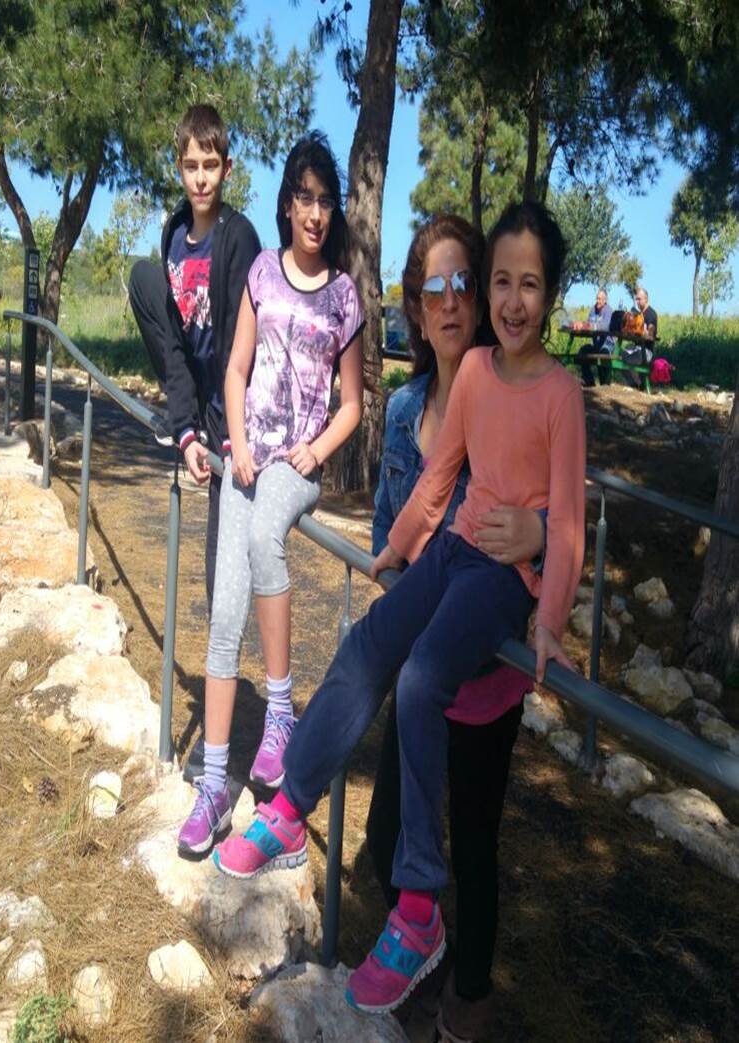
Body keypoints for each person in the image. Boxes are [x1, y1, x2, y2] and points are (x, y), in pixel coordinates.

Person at [213, 200, 586, 1017]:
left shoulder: (561, 393)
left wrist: (549, 616)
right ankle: (290, 802)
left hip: (499, 577)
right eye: (498, 282)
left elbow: (566, 522)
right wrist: (392, 549)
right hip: (452, 551)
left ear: (550, 294)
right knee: (368, 639)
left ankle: (421, 914)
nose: (508, 299)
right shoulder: (473, 377)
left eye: (526, 284)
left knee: (420, 684)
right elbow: (438, 478)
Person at [367, 214, 545, 1042]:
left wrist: (541, 536)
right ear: (414, 304)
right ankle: (421, 953)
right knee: (386, 833)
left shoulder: (514, 400)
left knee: (474, 843)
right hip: (420, 670)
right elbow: (387, 529)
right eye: (430, 287)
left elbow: (551, 518)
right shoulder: (405, 407)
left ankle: (468, 1000)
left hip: (484, 677)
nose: (448, 301)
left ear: (479, 298)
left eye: (462, 283)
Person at [176, 131, 364, 856]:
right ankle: (214, 784)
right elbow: (235, 368)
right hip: (245, 457)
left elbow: (353, 404)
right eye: (304, 199)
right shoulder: (261, 271)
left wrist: (314, 450)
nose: (314, 213)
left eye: (326, 201)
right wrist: (237, 443)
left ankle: (281, 711)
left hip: (295, 464)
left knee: (263, 539)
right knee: (223, 618)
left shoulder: (343, 295)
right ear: (287, 205)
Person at [128, 104, 261, 614]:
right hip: (197, 394)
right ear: (179, 168)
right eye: (191, 166)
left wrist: (228, 434)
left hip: (233, 402)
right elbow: (177, 342)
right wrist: (185, 429)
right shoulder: (174, 234)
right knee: (143, 278)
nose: (201, 179)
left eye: (210, 165)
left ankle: (220, 649)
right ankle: (185, 420)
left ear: (227, 168)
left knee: (221, 562)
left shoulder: (238, 237)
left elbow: (240, 347)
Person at [576, 287, 614, 387]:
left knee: (603, 353)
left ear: (605, 300)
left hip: (607, 344)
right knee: (582, 352)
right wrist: (582, 325)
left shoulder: (609, 311)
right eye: (597, 298)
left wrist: (593, 326)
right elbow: (588, 323)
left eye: (600, 299)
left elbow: (606, 326)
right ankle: (589, 382)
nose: (597, 301)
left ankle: (605, 384)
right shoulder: (593, 310)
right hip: (596, 344)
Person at [621, 287, 658, 387]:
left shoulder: (651, 314)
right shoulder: (638, 315)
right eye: (636, 299)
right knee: (620, 355)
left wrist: (642, 332)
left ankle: (638, 383)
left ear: (646, 299)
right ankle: (634, 384)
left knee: (624, 358)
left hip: (646, 352)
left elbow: (650, 335)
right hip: (637, 348)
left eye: (639, 299)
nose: (637, 302)